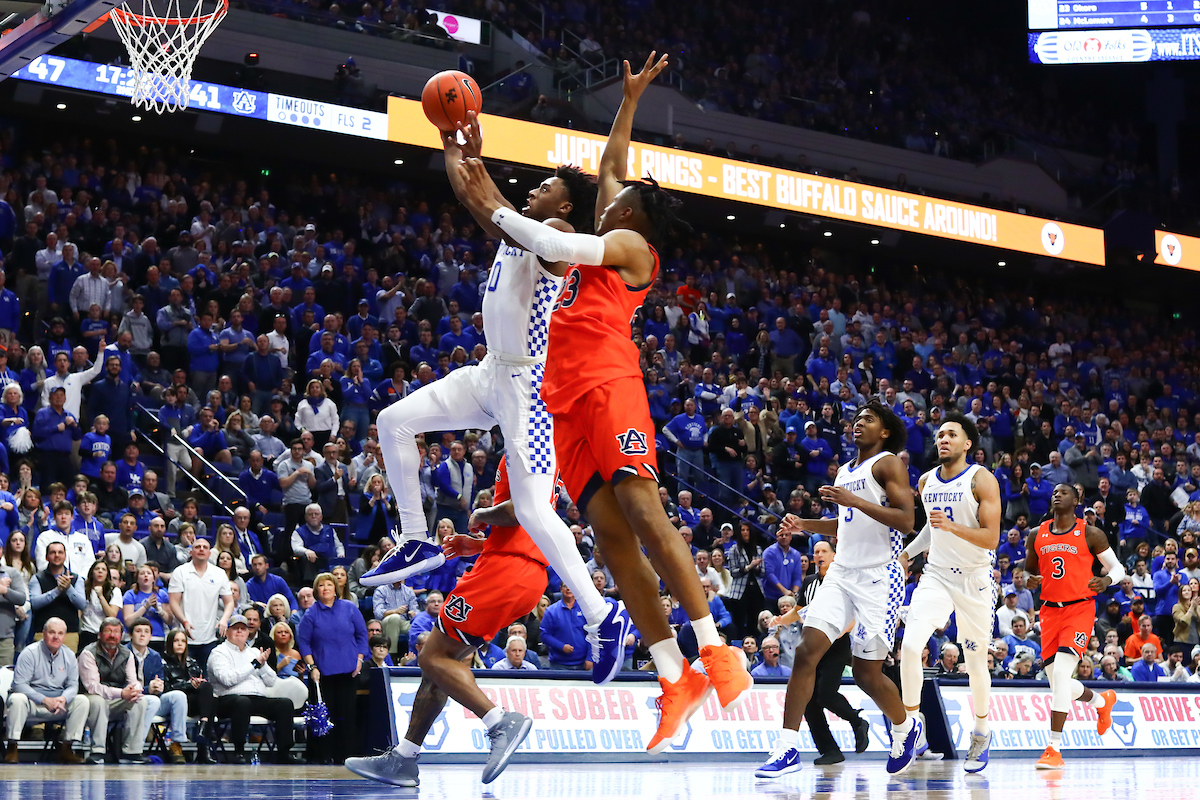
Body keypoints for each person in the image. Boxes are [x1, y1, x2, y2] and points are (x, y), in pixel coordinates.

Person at [454, 53, 751, 753]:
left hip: (609, 383)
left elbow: (549, 236)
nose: (606, 192)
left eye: (616, 196)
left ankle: (716, 650)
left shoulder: (631, 243)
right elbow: (613, 160)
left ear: (632, 212)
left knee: (645, 514)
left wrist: (494, 205)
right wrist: (629, 101)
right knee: (614, 545)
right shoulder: (613, 221)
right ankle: (675, 677)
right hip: (565, 400)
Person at [365, 90, 629, 687]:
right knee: (393, 422)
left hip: (529, 386)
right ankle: (414, 538)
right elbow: (477, 202)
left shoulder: (556, 230)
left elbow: (494, 208)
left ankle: (601, 614)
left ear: (565, 205)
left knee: (534, 508)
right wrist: (452, 148)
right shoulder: (518, 227)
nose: (536, 190)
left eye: (546, 186)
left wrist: (478, 171)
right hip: (491, 372)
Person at [346, 457, 560, 787]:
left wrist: (481, 513)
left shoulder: (525, 444)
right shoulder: (545, 452)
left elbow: (519, 510)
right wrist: (482, 545)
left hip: (504, 572)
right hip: (525, 573)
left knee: (431, 658)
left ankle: (499, 722)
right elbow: (531, 523)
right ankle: (404, 758)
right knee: (438, 668)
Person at [756, 401, 917, 779]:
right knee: (806, 652)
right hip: (842, 573)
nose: (859, 423)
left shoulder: (889, 464)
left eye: (868, 419)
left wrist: (854, 500)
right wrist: (805, 524)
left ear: (885, 432)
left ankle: (905, 727)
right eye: (857, 418)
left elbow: (907, 521)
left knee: (866, 675)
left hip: (880, 578)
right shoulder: (845, 470)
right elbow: (845, 524)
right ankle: (787, 746)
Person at [899, 413, 1002, 773]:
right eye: (940, 434)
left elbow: (991, 538)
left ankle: (982, 731)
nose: (943, 439)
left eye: (951, 435)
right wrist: (908, 554)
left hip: (975, 581)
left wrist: (953, 526)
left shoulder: (981, 479)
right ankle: (911, 727)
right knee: (910, 646)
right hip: (937, 576)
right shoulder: (926, 480)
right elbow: (932, 529)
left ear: (967, 444)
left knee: (974, 662)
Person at [1024, 483, 1122, 769]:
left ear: (1077, 500)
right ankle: (1101, 702)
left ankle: (1053, 749)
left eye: (1064, 492)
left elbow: (1118, 568)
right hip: (1049, 612)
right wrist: (1029, 578)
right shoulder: (1037, 533)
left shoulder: (1090, 533)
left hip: (1079, 609)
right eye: (1054, 492)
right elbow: (1029, 570)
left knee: (1061, 676)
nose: (1057, 495)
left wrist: (1106, 580)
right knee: (1059, 684)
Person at [768, 540, 869, 765]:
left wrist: (842, 631)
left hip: (836, 644)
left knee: (825, 694)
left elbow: (855, 613)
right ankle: (830, 750)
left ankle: (857, 721)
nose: (819, 555)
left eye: (824, 551)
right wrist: (781, 620)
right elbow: (799, 610)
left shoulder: (844, 580)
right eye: (816, 552)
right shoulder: (810, 582)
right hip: (813, 645)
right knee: (809, 702)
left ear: (834, 556)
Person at [207, 614, 299, 764]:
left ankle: (284, 753)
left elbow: (271, 681)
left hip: (257, 698)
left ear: (247, 632)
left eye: (243, 629)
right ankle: (239, 751)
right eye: (235, 628)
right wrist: (254, 664)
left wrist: (262, 665)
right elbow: (227, 680)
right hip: (227, 700)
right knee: (242, 702)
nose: (239, 631)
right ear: (227, 632)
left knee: (285, 704)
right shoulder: (219, 652)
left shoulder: (255, 652)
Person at [297, 572, 368, 764]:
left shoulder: (349, 608)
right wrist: (312, 667)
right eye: (321, 585)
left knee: (346, 715)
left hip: (348, 672)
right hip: (322, 674)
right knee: (323, 716)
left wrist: (359, 659)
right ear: (316, 590)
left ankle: (346, 756)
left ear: (336, 589)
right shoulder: (311, 613)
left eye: (329, 584)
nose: (325, 588)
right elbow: (304, 643)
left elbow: (362, 635)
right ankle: (322, 755)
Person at [5, 617, 88, 763]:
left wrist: (63, 698)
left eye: (60, 633)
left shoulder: (69, 655)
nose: (56, 637)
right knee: (17, 698)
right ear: (44, 634)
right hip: (32, 703)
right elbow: (19, 684)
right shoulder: (29, 653)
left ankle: (67, 748)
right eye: (52, 632)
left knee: (82, 701)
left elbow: (73, 685)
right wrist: (44, 700)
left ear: (64, 636)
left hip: (58, 704)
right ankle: (12, 748)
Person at [78, 616, 160, 764]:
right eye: (108, 631)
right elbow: (93, 687)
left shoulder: (127, 654)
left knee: (139, 701)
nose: (112, 635)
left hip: (116, 699)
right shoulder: (88, 653)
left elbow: (133, 681)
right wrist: (122, 693)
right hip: (91, 698)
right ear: (100, 634)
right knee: (98, 701)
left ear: (121, 636)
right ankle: (97, 750)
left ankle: (132, 752)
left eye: (116, 632)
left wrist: (134, 690)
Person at [125, 618, 187, 763]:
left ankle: (176, 743)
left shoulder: (155, 655)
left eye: (146, 632)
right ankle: (136, 748)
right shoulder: (123, 653)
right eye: (138, 631)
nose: (142, 635)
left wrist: (159, 686)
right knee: (152, 700)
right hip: (129, 700)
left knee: (178, 696)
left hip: (152, 700)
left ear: (151, 636)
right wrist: (148, 689)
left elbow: (160, 681)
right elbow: (122, 685)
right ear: (130, 635)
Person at [167, 538, 235, 669]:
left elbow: (229, 602)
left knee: (206, 677)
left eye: (205, 547)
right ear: (191, 552)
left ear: (210, 553)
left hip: (209, 637)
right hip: (184, 637)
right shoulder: (180, 572)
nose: (201, 549)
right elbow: (173, 602)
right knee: (182, 676)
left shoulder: (219, 573)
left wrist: (224, 620)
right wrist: (184, 621)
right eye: (198, 547)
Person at [161, 628, 217, 763]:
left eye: (183, 641)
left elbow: (200, 686)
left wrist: (198, 683)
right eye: (176, 641)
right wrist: (189, 685)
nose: (180, 644)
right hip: (176, 704)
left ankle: (203, 732)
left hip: (194, 702)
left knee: (208, 690)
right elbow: (166, 689)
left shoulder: (192, 662)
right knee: (210, 702)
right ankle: (203, 745)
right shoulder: (163, 663)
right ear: (169, 643)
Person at [29, 542, 86, 651]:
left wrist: (69, 588)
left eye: (60, 552)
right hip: (43, 632)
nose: (57, 555)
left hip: (69, 633)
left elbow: (82, 604)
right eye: (53, 552)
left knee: (68, 661)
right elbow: (34, 603)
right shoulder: (37, 578)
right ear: (46, 557)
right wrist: (57, 590)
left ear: (65, 556)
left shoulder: (76, 578)